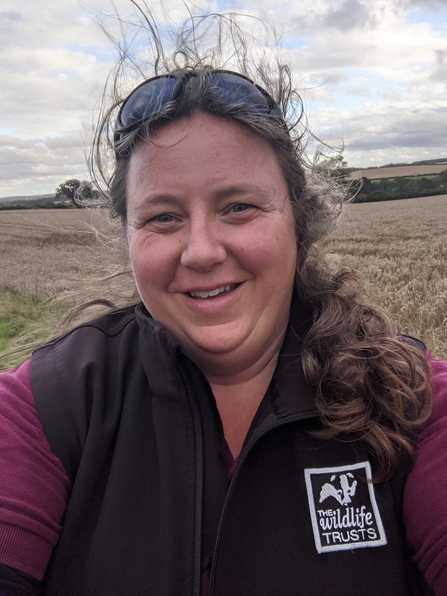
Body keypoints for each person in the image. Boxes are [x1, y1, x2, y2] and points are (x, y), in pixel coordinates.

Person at [0, 9, 446, 596]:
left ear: (299, 218)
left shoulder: (413, 402)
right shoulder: (48, 406)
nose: (202, 251)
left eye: (239, 206)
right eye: (163, 217)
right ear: (129, 237)